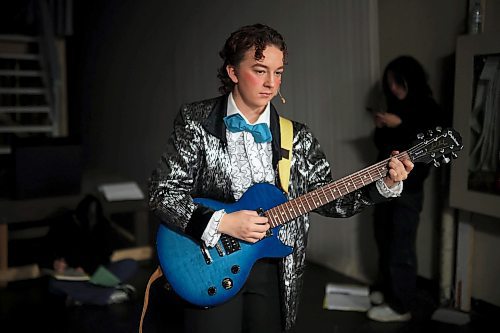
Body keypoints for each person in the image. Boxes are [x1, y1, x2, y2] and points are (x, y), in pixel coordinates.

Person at [145, 24, 413, 333]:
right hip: (208, 263)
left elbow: (331, 199)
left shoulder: (297, 136)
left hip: (274, 266)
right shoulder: (197, 122)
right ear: (232, 71)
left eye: (279, 72)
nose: (271, 83)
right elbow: (162, 193)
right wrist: (222, 222)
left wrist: (385, 183)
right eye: (260, 71)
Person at [367, 55, 445, 322]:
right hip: (382, 182)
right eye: (390, 84)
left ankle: (401, 305)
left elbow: (433, 142)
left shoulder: (428, 108)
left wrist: (399, 124)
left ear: (408, 80)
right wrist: (382, 127)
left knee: (401, 242)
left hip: (410, 187)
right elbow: (382, 144)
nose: (393, 90)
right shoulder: (394, 105)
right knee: (383, 236)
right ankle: (387, 290)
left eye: (396, 83)